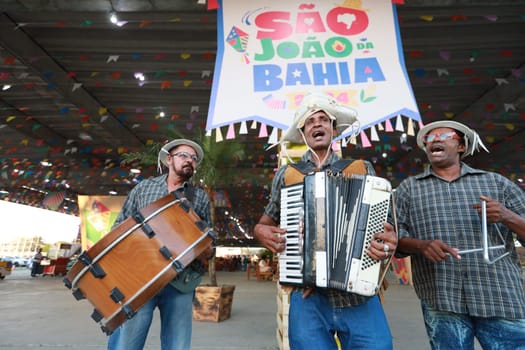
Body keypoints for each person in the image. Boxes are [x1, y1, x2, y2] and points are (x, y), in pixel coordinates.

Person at [253, 91, 397, 349]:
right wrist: (261, 231)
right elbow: (265, 222)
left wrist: (387, 242)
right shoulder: (288, 175)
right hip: (307, 296)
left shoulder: (360, 169)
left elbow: (387, 227)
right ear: (304, 133)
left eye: (323, 119)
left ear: (333, 128)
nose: (317, 124)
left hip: (358, 294)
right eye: (310, 121)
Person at [394, 120, 525, 349]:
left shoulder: (496, 183)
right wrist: (421, 246)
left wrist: (506, 216)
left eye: (444, 135)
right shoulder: (408, 189)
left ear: (461, 146)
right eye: (429, 138)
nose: (434, 140)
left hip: (500, 297)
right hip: (442, 298)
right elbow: (395, 240)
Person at [107, 139, 212, 350]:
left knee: (178, 345)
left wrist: (206, 249)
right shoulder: (144, 189)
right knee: (127, 343)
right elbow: (119, 227)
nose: (190, 161)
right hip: (141, 279)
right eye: (184, 155)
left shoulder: (199, 197)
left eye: (193, 158)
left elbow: (207, 241)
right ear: (169, 159)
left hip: (180, 282)